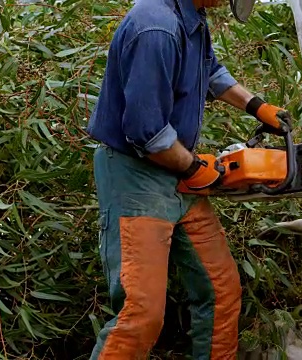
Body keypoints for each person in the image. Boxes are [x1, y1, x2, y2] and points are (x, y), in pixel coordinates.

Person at [85, 0, 291, 358]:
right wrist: (195, 169)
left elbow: (209, 70)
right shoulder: (156, 27)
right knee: (142, 313)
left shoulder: (192, 18)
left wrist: (257, 106)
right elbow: (146, 132)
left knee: (221, 289)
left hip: (176, 173)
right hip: (137, 176)